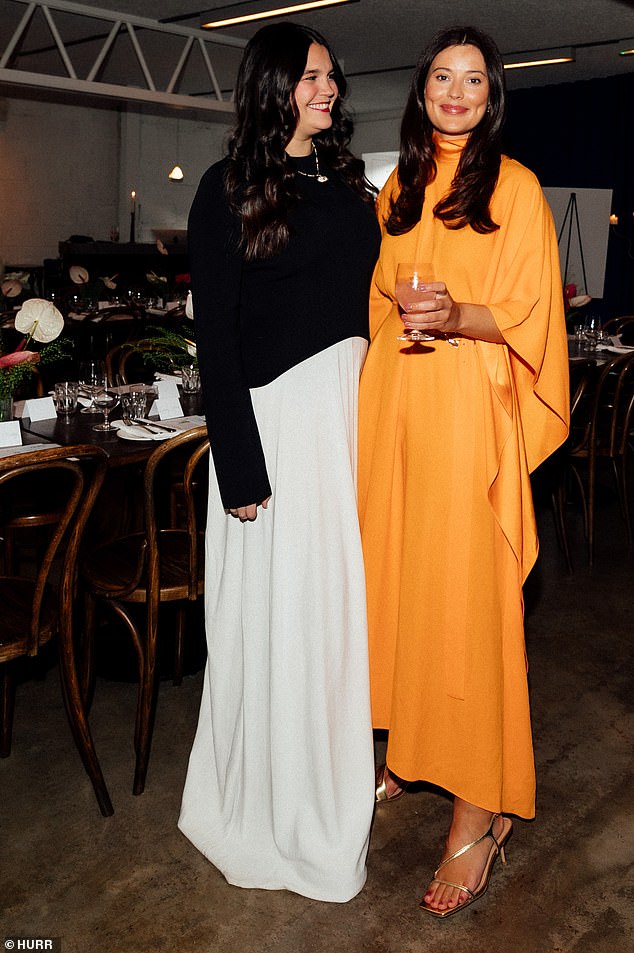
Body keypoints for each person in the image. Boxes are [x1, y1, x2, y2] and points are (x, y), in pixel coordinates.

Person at [357, 26, 570, 918]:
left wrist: (457, 314)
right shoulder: (398, 187)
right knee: (404, 596)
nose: (455, 91)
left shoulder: (514, 187)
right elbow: (375, 301)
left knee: (471, 608)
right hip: (397, 417)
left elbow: (530, 312)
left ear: (492, 96)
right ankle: (411, 746)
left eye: (472, 79)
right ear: (421, 90)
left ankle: (479, 814)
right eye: (441, 76)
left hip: (469, 424)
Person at [178, 22, 380, 902]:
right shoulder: (226, 189)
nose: (326, 90)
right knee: (274, 620)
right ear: (271, 87)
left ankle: (328, 788)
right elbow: (212, 337)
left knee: (335, 619)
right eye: (309, 77)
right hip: (271, 427)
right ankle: (265, 806)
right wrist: (240, 465)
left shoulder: (348, 183)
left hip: (346, 419)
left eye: (330, 77)